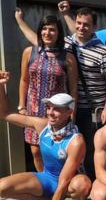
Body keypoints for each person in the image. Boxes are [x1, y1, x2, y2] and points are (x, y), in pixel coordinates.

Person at [0, 71, 91, 200]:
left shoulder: (76, 141)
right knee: (2, 187)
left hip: (69, 182)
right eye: (49, 108)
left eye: (57, 109)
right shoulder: (41, 125)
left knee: (83, 184)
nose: (51, 113)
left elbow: (64, 181)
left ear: (69, 112)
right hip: (46, 178)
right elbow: (3, 114)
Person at [16, 13, 78, 172]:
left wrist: (72, 113)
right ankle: (44, 182)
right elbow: (24, 80)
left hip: (58, 113)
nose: (47, 33)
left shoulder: (68, 57)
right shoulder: (29, 52)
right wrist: (21, 106)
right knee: (36, 151)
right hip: (33, 111)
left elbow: (73, 89)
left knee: (58, 151)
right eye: (44, 29)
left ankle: (60, 183)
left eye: (52, 30)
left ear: (58, 33)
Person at [65, 7, 106, 178]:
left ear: (94, 27)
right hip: (71, 107)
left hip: (94, 109)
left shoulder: (102, 51)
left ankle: (96, 181)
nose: (81, 27)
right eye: (78, 23)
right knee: (72, 147)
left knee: (92, 148)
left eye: (86, 25)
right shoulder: (67, 44)